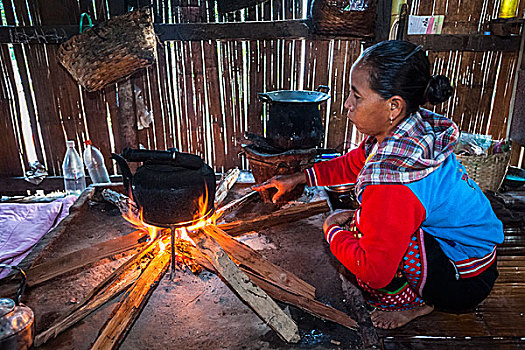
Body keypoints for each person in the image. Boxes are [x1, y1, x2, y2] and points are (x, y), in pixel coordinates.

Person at [253, 40, 504, 329]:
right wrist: (299, 178)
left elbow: (376, 272)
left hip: (464, 280)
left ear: (393, 106)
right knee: (376, 225)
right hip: (472, 253)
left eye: (356, 96)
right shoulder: (409, 132)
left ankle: (419, 303)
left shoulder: (392, 184)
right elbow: (351, 164)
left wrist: (331, 230)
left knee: (363, 235)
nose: (347, 104)